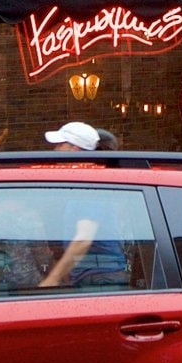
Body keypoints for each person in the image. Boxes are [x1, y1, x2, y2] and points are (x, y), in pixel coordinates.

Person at [39, 123, 129, 288]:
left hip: (100, 280)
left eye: (60, 144)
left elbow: (83, 240)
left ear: (75, 149)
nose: (55, 150)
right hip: (94, 277)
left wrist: (52, 280)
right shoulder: (84, 183)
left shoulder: (90, 186)